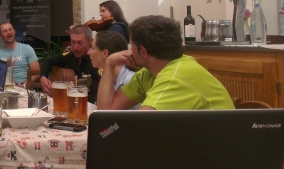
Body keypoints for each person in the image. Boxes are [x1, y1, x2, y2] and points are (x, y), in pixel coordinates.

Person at [97, 15, 235, 111]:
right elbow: (105, 110)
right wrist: (109, 64)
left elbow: (138, 125)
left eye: (131, 46)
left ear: (143, 51)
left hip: (221, 144)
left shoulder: (176, 76)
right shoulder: (148, 74)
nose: (129, 51)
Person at [39, 25, 100, 103]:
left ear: (90, 41)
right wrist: (43, 77)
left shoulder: (96, 62)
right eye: (73, 42)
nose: (75, 47)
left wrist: (73, 91)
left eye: (80, 43)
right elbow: (48, 61)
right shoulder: (70, 56)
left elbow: (95, 97)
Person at [88, 31, 139, 109]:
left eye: (92, 48)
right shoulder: (111, 77)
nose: (88, 52)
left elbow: (104, 112)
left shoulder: (129, 81)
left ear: (105, 53)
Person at [0, 22, 40, 86]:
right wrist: (4, 65)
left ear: (14, 31)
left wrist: (23, 85)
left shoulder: (27, 48)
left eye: (10, 29)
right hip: (5, 87)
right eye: (5, 31)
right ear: (0, 35)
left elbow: (36, 73)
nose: (8, 32)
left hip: (24, 88)